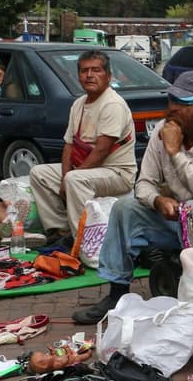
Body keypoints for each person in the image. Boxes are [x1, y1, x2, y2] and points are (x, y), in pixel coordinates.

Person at [72, 71, 193, 324]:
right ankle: (116, 293)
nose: (173, 109)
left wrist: (174, 151)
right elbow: (143, 183)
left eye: (183, 104)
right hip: (182, 216)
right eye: (172, 101)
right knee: (124, 208)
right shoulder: (163, 129)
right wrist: (157, 201)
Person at [29, 50, 136, 245]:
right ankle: (60, 230)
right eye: (84, 71)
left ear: (108, 76)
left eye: (96, 70)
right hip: (89, 170)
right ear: (78, 76)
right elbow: (68, 145)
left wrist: (70, 178)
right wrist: (63, 178)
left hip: (117, 173)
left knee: (74, 179)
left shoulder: (112, 104)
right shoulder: (78, 104)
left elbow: (102, 150)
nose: (89, 75)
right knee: (39, 173)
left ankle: (85, 241)